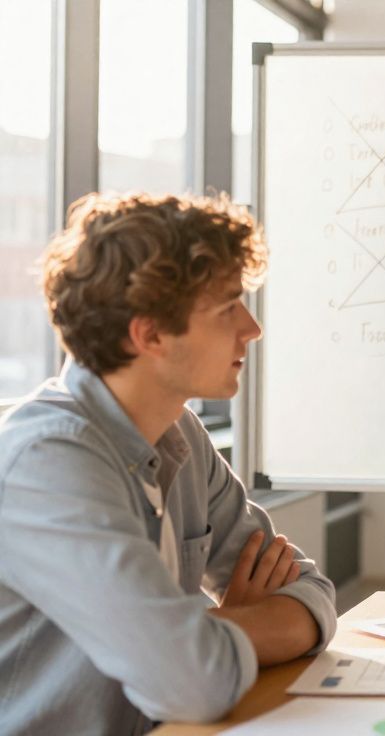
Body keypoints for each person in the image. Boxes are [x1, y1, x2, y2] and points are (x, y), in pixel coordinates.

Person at [0, 193, 337, 734]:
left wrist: (216, 632)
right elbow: (194, 681)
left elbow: (311, 593)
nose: (251, 329)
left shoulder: (178, 429)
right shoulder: (47, 463)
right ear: (150, 333)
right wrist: (214, 633)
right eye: (228, 307)